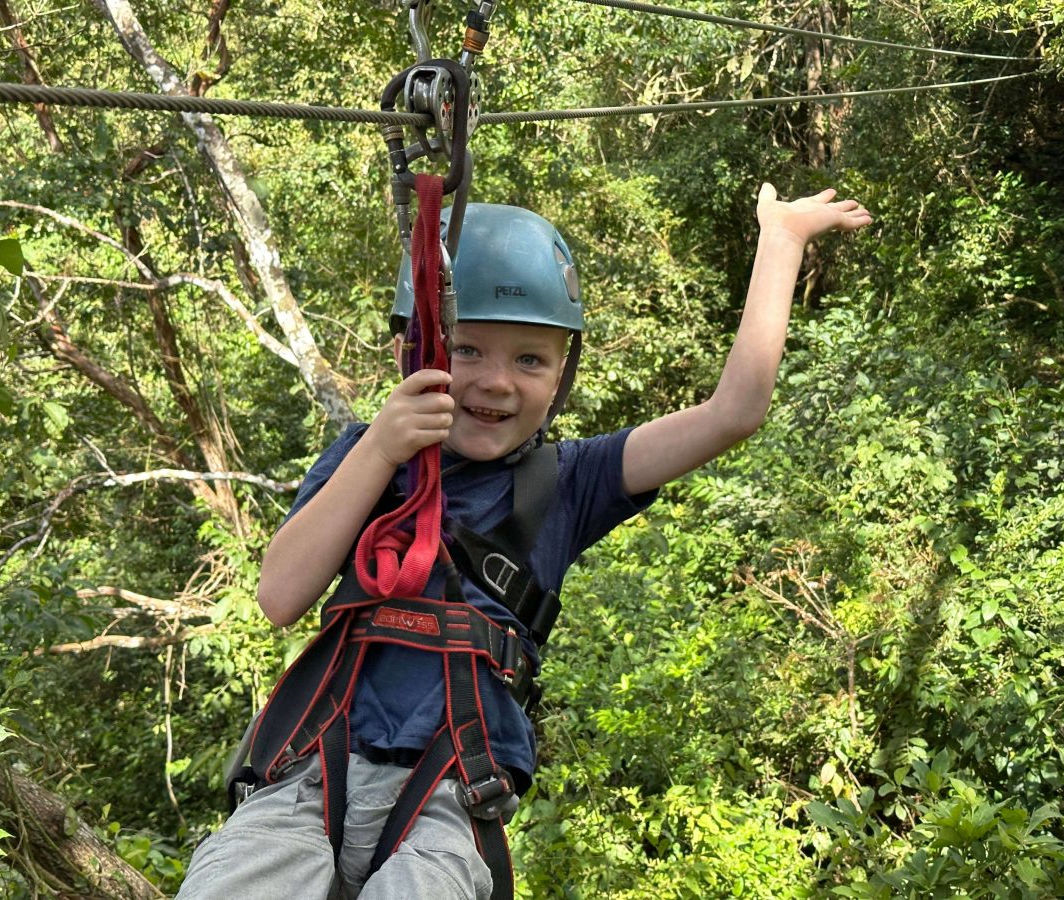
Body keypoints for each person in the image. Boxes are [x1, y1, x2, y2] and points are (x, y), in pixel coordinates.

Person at [177, 182, 872, 899]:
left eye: (531, 360)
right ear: (409, 348)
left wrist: (782, 240)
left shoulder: (569, 480)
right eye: (468, 348)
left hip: (451, 795)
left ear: (563, 373)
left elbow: (734, 411)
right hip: (311, 773)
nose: (497, 382)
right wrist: (383, 448)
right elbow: (280, 596)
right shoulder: (365, 454)